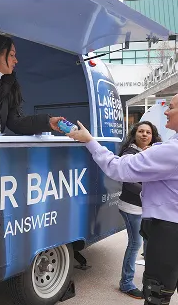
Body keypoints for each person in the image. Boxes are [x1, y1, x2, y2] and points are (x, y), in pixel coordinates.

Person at [67, 96, 178, 305]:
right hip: (165, 227)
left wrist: (89, 141)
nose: (165, 112)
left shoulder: (170, 151)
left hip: (167, 230)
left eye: (170, 108)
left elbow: (117, 168)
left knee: (157, 293)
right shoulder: (167, 147)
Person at [114, 121, 164, 298]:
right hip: (132, 207)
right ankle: (126, 283)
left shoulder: (154, 151)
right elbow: (128, 184)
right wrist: (151, 191)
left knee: (149, 244)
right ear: (134, 134)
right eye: (141, 131)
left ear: (153, 135)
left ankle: (148, 281)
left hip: (148, 208)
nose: (144, 135)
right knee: (135, 244)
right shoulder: (130, 153)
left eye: (148, 132)